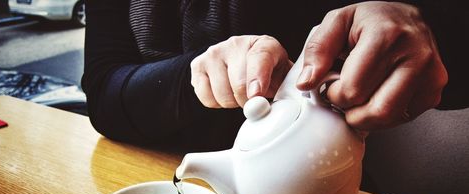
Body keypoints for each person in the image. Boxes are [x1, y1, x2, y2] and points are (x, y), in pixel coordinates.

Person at [82, 0, 466, 151]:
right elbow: (103, 97)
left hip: (318, 189)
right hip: (152, 176)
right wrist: (200, 72)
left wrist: (421, 24)